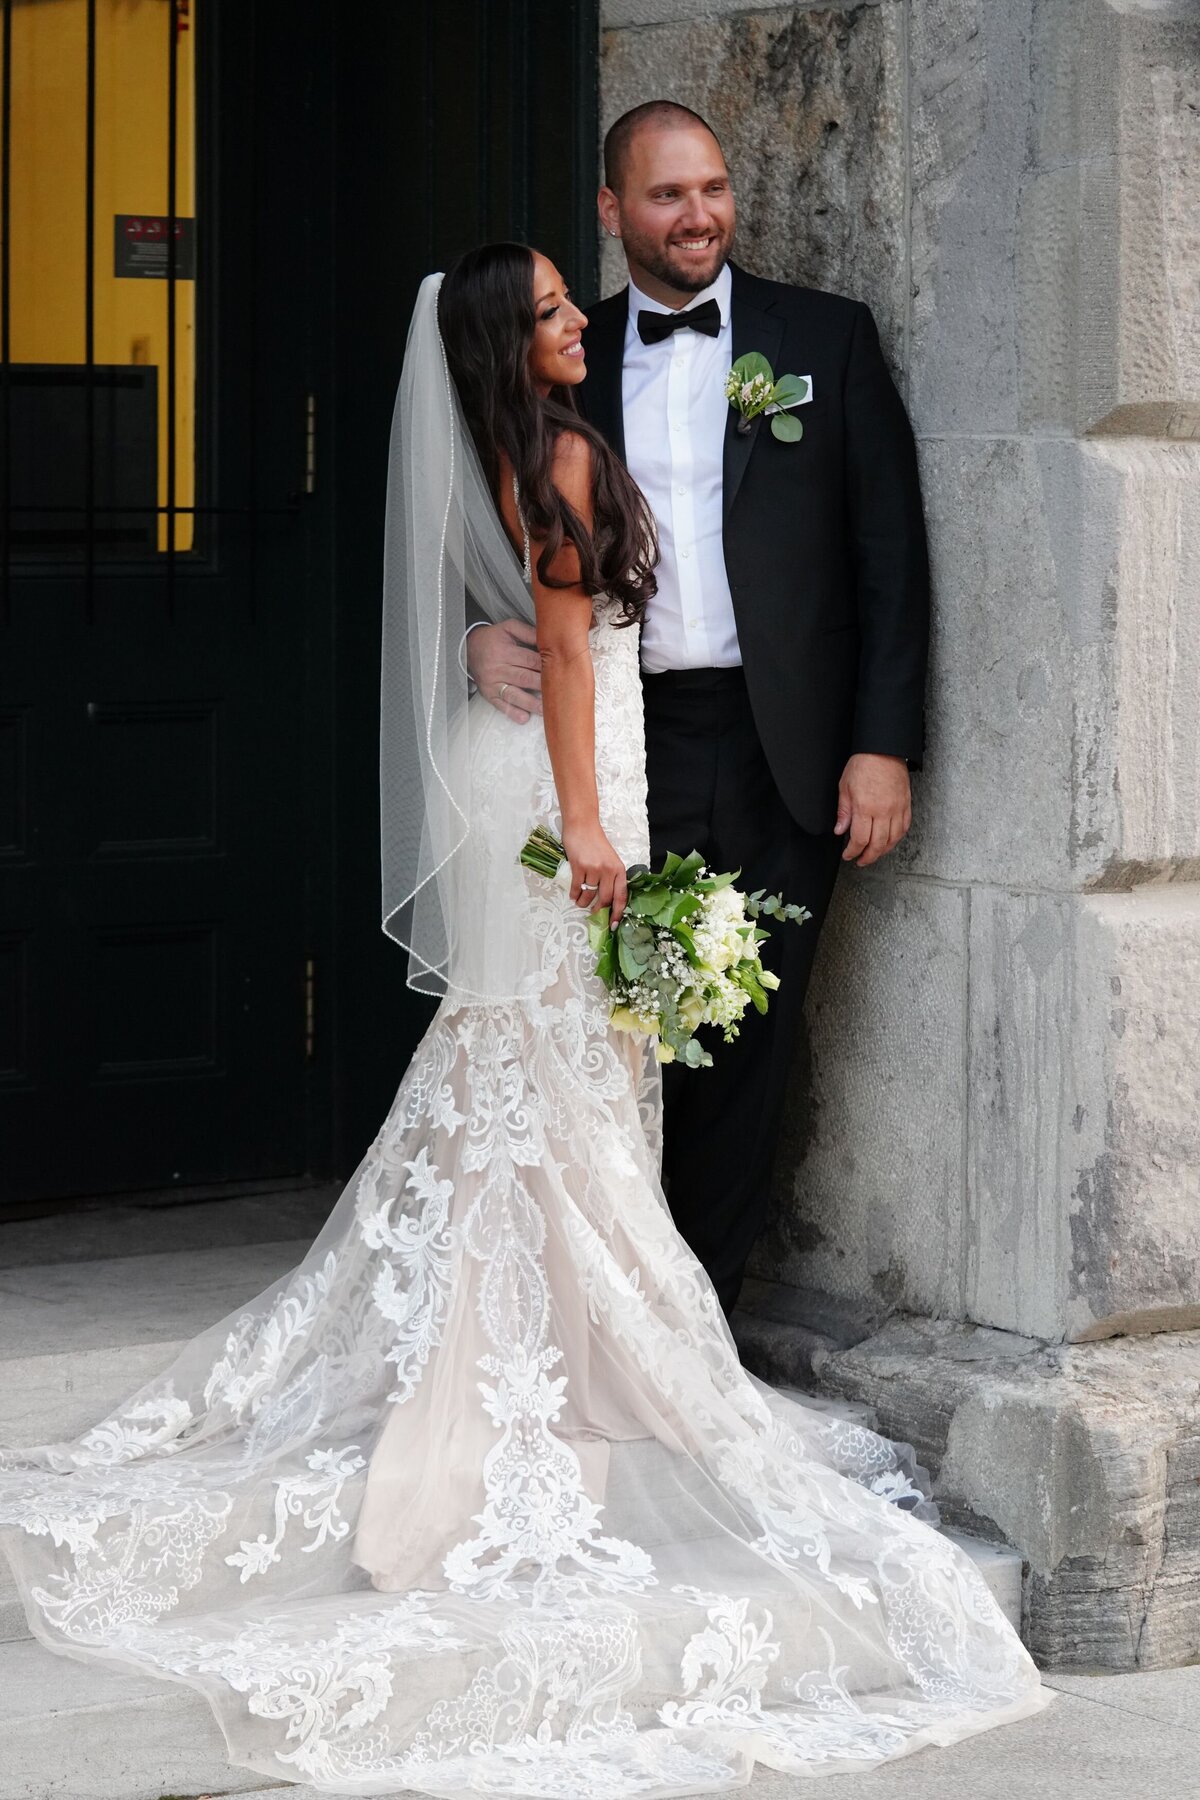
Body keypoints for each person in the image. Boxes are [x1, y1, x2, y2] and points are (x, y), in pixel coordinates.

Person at [0, 244, 1046, 1798]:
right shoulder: (557, 449)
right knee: (548, 1073)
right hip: (572, 797)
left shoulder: (515, 445)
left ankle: (549, 1344)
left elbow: (543, 626)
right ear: (515, 342)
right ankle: (541, 1364)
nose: (581, 323)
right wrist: (589, 825)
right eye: (555, 311)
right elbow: (562, 644)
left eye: (577, 300)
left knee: (530, 1075)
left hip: (563, 784)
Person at [468, 101, 929, 1315]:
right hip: (631, 748)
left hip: (791, 748)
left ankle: (701, 1333)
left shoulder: (824, 337)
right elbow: (484, 529)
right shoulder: (564, 349)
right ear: (614, 210)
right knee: (630, 1044)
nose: (700, 216)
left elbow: (890, 554)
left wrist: (883, 745)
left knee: (749, 1052)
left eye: (714, 189)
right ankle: (614, 1319)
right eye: (668, 196)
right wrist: (473, 638)